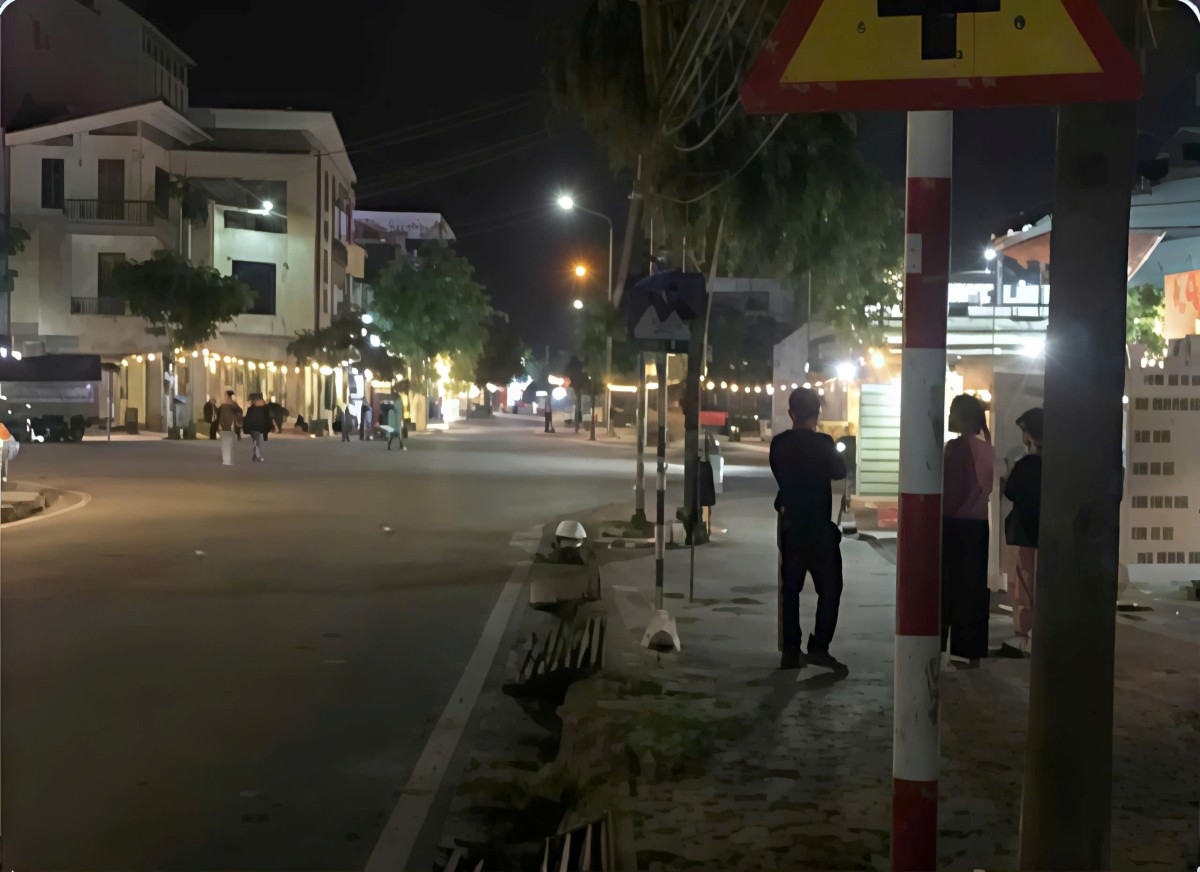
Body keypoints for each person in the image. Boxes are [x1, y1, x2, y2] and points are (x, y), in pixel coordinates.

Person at [770, 387, 847, 670]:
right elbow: (840, 472)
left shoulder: (779, 444)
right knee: (831, 588)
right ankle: (819, 647)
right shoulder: (825, 443)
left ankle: (791, 651)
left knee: (790, 589)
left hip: (791, 526)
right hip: (819, 527)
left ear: (791, 413)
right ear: (817, 414)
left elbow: (779, 473)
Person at [942, 393, 996, 666]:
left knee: (947, 587)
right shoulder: (989, 449)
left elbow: (951, 491)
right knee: (973, 588)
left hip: (953, 524)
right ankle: (970, 649)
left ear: (960, 417)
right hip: (978, 526)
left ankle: (941, 643)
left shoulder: (954, 448)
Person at [1002, 407, 1043, 657]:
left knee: (1025, 582)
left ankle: (1025, 635)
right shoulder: (1060, 463)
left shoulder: (1027, 464)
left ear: (1029, 435)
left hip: (1027, 531)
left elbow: (1010, 492)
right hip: (1050, 532)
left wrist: (1009, 471)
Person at [243, 393, 272, 463]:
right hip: (257, 427)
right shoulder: (264, 407)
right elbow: (267, 417)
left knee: (256, 441)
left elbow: (247, 418)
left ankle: (255, 455)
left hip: (252, 426)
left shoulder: (252, 408)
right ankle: (257, 456)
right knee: (256, 441)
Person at [216, 390, 242, 466]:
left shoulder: (224, 405)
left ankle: (226, 460)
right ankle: (228, 460)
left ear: (227, 395)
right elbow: (240, 412)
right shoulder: (234, 405)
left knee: (225, 443)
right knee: (230, 443)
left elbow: (219, 416)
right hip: (231, 426)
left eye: (225, 395)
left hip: (225, 426)